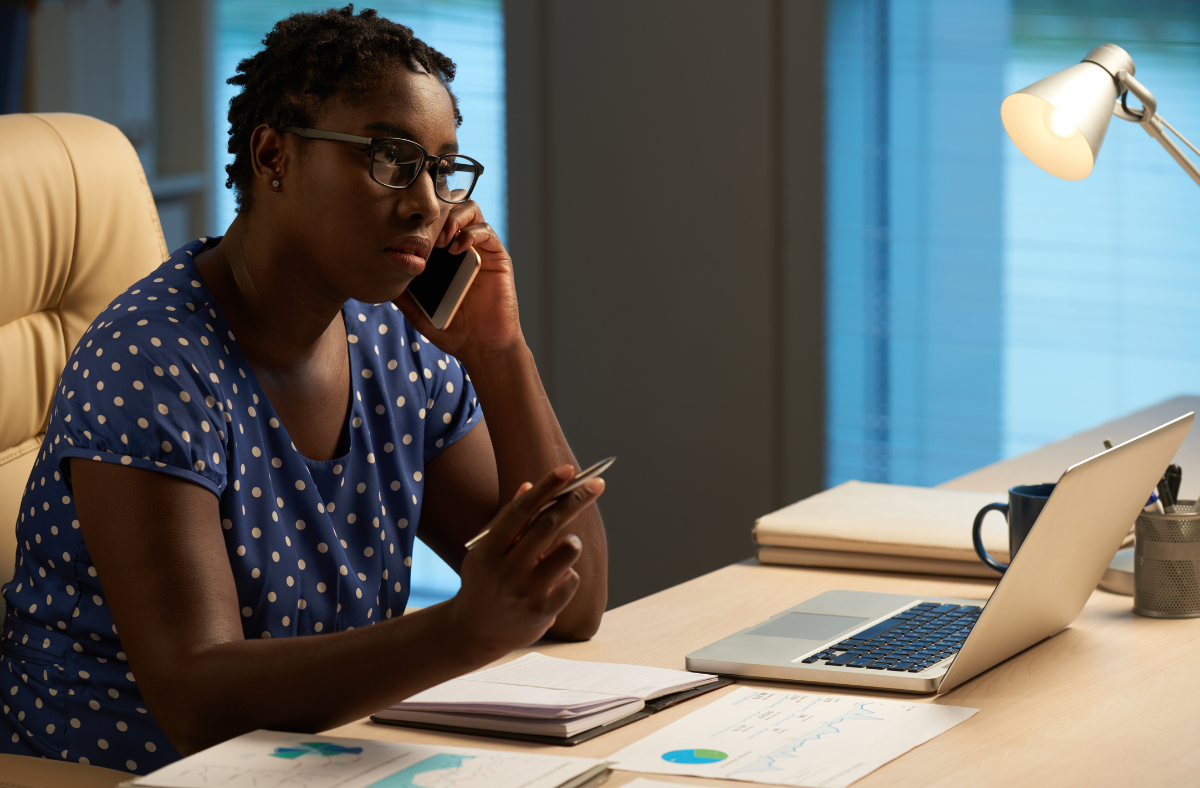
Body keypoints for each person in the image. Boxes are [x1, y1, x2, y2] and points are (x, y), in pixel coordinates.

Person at [0, 5, 607, 774]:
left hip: (311, 762)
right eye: (390, 157)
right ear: (273, 155)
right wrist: (462, 630)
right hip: (117, 772)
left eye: (442, 168)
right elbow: (194, 699)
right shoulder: (151, 363)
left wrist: (499, 351)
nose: (427, 202)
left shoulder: (396, 348)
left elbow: (575, 604)